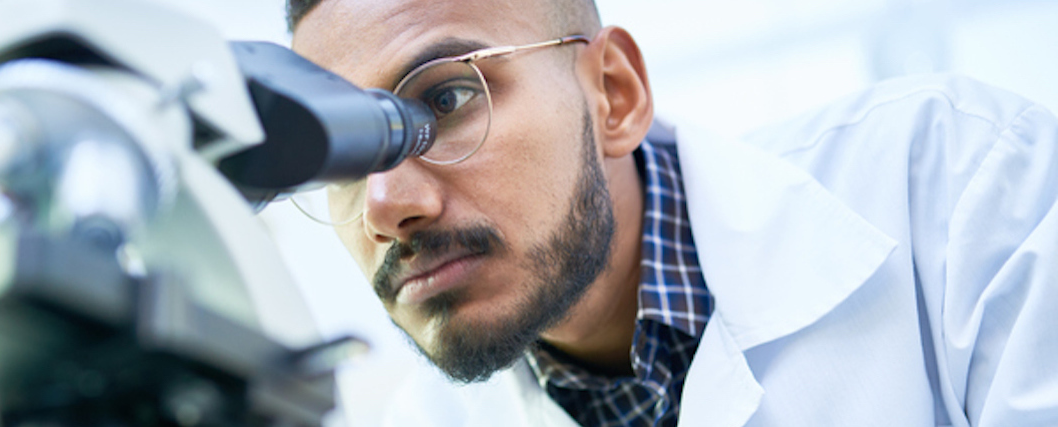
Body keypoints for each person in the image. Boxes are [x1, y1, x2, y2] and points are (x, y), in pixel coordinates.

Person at [284, 0, 1058, 425]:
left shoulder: (959, 179)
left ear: (613, 93)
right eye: (342, 156)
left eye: (445, 100)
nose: (386, 205)